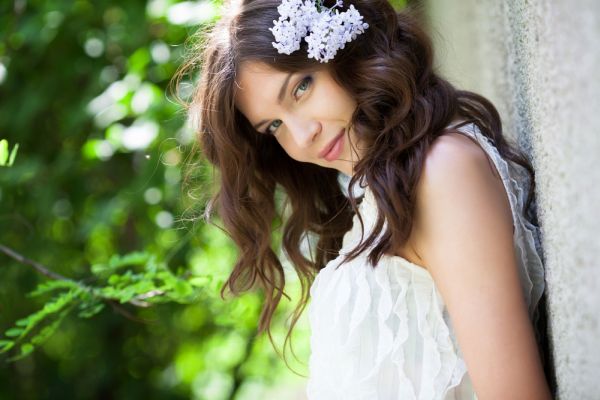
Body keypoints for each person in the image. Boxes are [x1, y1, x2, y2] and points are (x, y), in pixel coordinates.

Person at [175, 0, 556, 398]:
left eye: (301, 88)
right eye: (274, 126)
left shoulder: (440, 173)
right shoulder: (376, 197)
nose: (301, 136)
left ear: (346, 50)